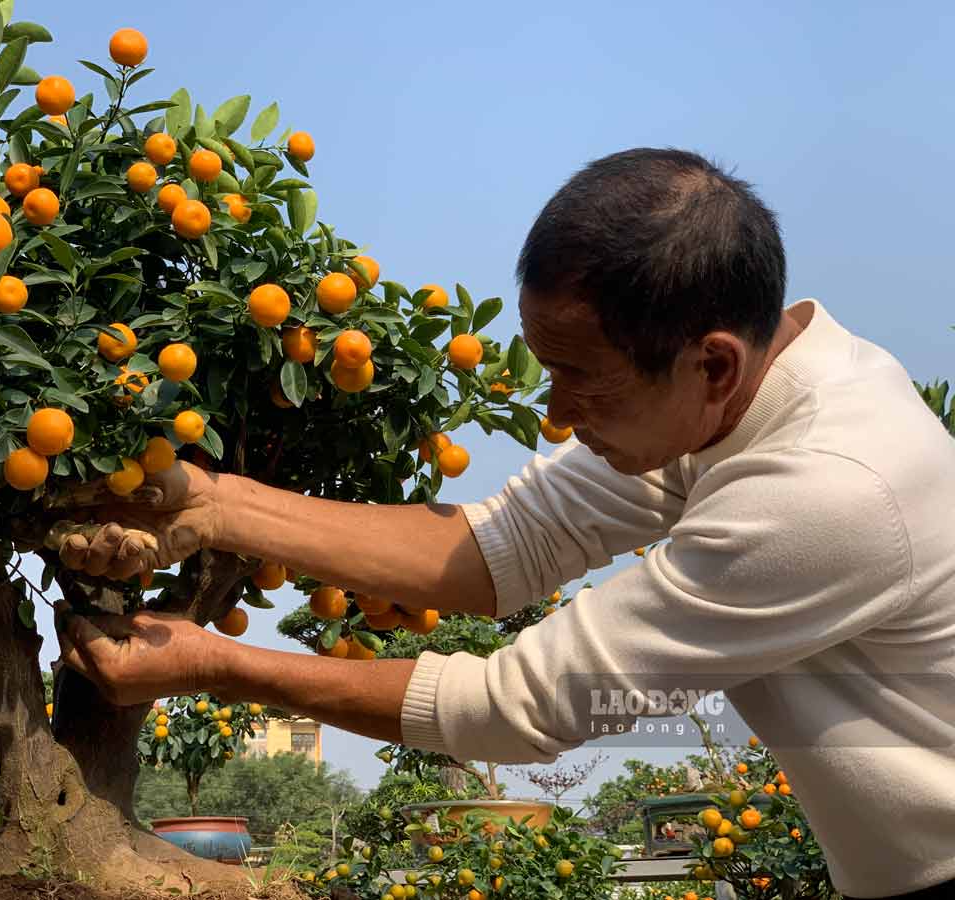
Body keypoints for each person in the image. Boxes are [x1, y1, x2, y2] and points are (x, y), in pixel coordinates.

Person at [55, 148, 955, 900]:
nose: (557, 413)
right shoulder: (731, 400)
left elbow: (521, 707)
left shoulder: (829, 490)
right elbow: (504, 547)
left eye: (582, 377)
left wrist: (213, 664)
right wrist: (214, 504)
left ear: (711, 363)